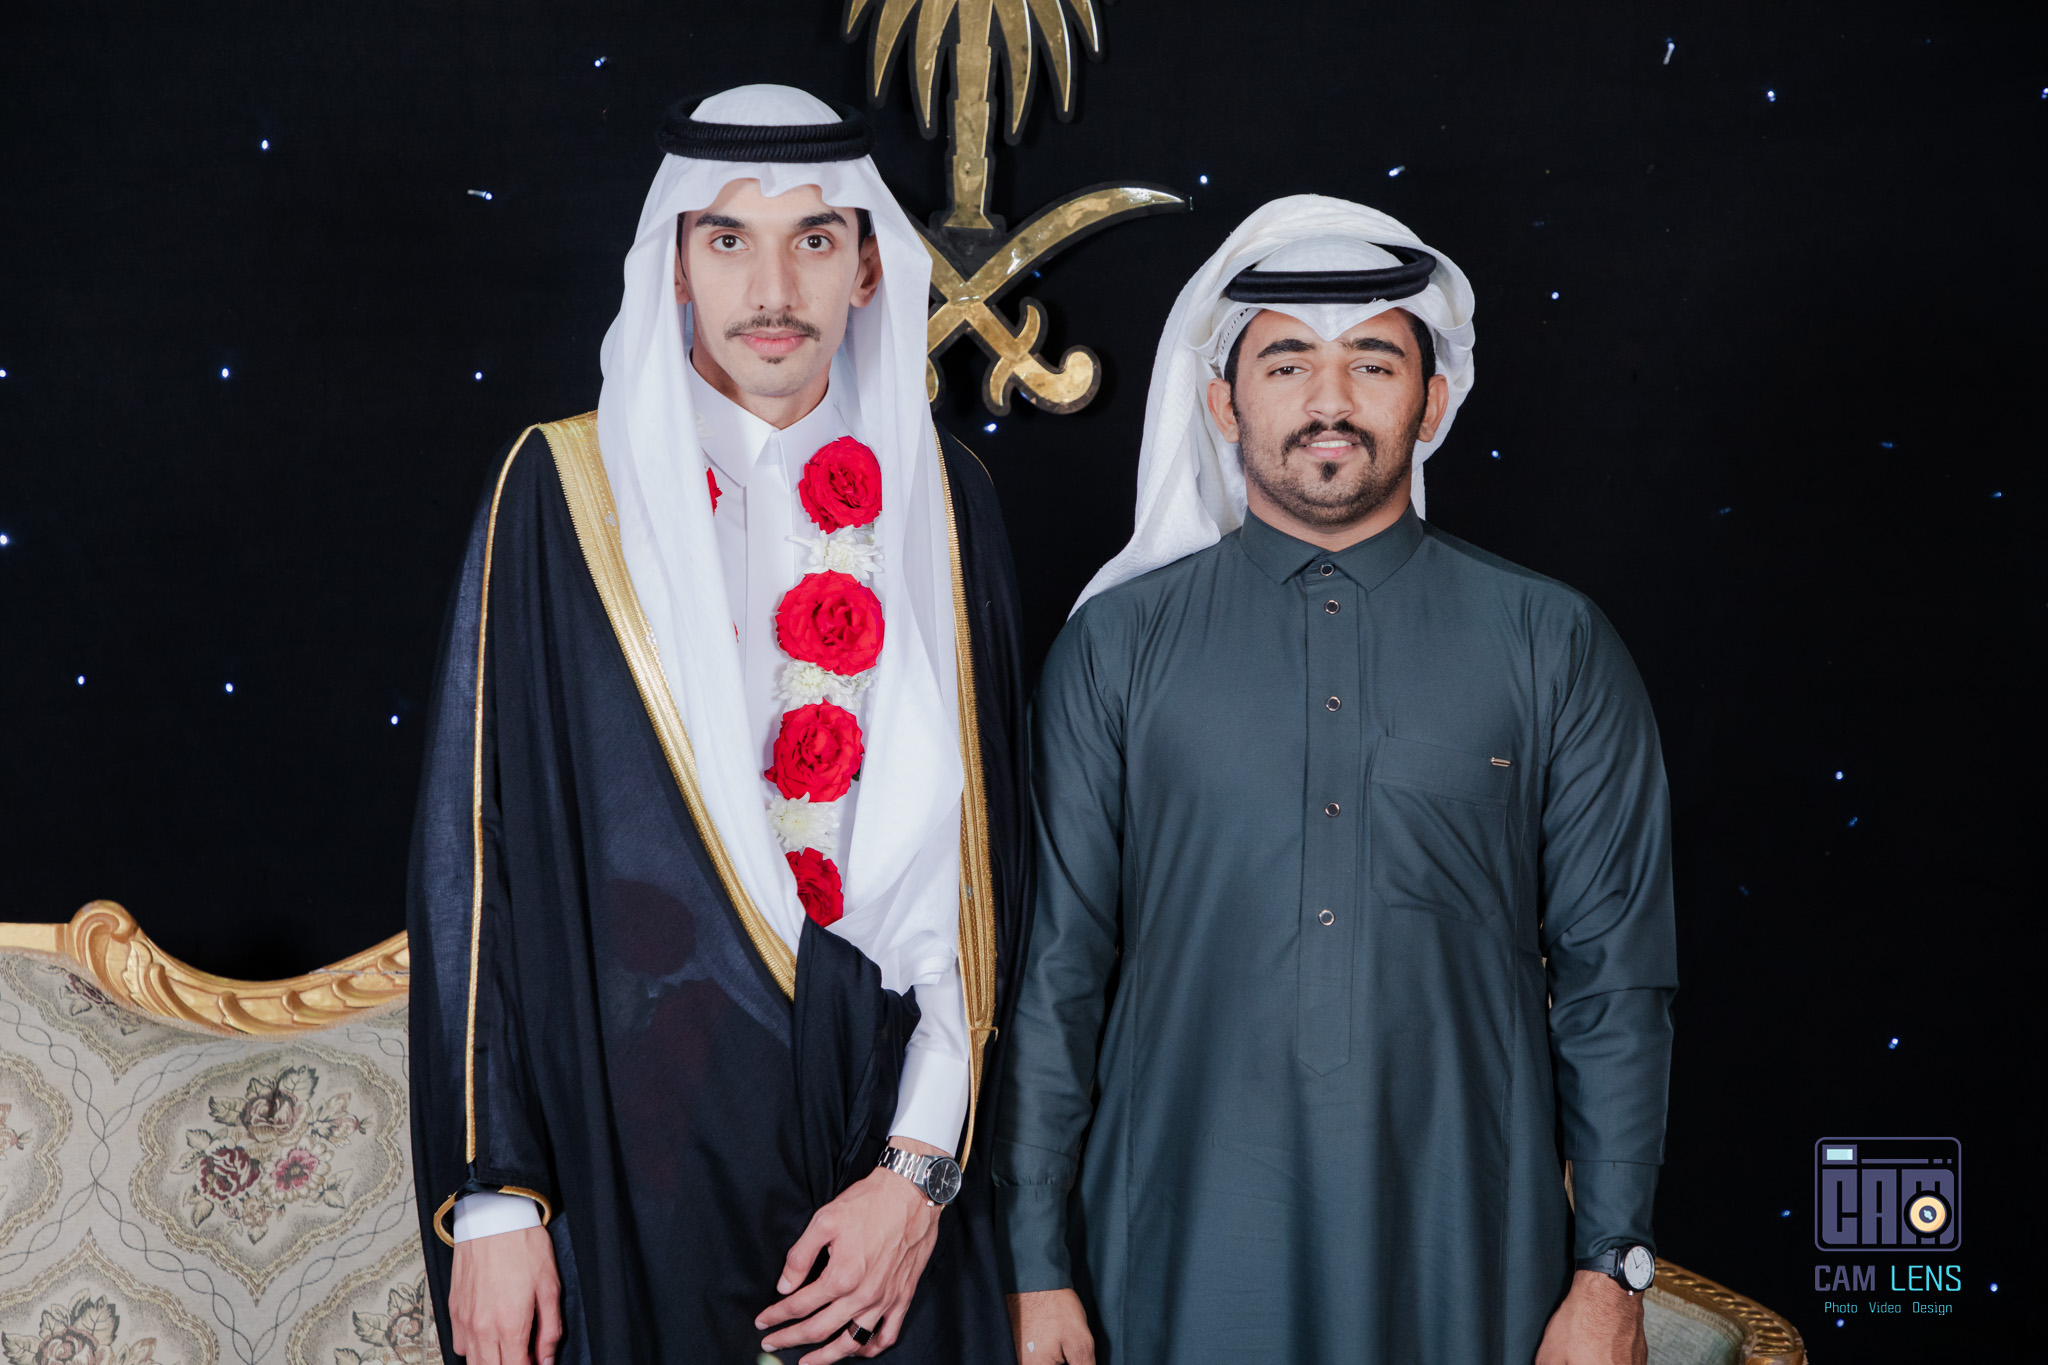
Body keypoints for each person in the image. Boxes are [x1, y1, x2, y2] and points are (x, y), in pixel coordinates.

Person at [993, 196, 1676, 1364]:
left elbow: (1615, 982)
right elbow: (1054, 977)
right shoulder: (1115, 649)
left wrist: (1611, 1269)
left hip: (1468, 1256)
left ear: (1433, 400)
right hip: (1167, 1254)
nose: (1328, 401)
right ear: (1222, 403)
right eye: (1284, 364)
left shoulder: (1550, 643)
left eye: (1370, 362)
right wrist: (1032, 1263)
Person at [406, 85, 1027, 1365]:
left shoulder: (945, 496)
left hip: (888, 1152)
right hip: (631, 1134)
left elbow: (990, 867)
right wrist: (494, 1193)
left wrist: (920, 1169)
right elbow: (476, 851)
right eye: (728, 240)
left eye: (814, 239)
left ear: (867, 270)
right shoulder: (562, 490)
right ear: (675, 265)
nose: (773, 289)